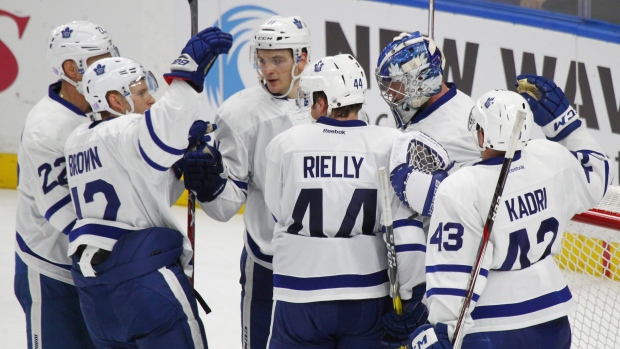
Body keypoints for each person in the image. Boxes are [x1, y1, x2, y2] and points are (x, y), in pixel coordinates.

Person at [409, 78, 611, 348]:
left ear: (481, 134)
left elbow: (453, 270)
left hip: (493, 327)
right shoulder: (550, 158)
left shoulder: (461, 186)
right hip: (554, 322)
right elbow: (597, 174)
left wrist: (443, 330)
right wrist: (566, 124)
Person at [63, 28, 232, 348]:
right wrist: (187, 74)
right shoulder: (124, 130)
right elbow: (169, 121)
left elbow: (140, 193)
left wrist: (175, 166)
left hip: (95, 296)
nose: (151, 98)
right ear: (115, 100)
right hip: (144, 285)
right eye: (141, 92)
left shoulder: (78, 140)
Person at [262, 53, 428, 348]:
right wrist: (411, 296)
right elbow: (405, 232)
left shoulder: (286, 144)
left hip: (299, 295)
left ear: (324, 102)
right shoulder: (390, 144)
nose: (308, 105)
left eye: (312, 98)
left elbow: (277, 210)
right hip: (365, 299)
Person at [182, 15, 312, 348]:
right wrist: (209, 185)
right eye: (262, 59)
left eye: (278, 60)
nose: (268, 69)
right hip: (267, 261)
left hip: (324, 261)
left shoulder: (328, 101)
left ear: (302, 58)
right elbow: (227, 206)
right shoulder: (239, 113)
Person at [14, 20, 119, 349]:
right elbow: (62, 214)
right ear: (72, 68)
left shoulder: (101, 107)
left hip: (93, 270)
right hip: (53, 271)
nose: (108, 66)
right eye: (99, 60)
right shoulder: (46, 130)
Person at [374, 31, 482, 345]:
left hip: (458, 272)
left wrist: (413, 300)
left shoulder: (465, 122)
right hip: (439, 268)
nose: (391, 95)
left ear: (419, 79)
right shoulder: (438, 115)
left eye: (395, 85)